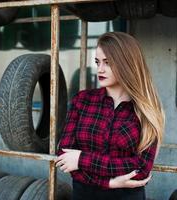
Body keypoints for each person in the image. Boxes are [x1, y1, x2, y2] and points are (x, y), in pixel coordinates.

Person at [55, 32, 165, 200]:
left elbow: (141, 168)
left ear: (126, 64)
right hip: (84, 195)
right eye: (97, 62)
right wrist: (110, 183)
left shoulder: (147, 110)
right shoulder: (82, 100)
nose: (100, 69)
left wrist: (81, 159)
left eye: (108, 63)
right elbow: (64, 155)